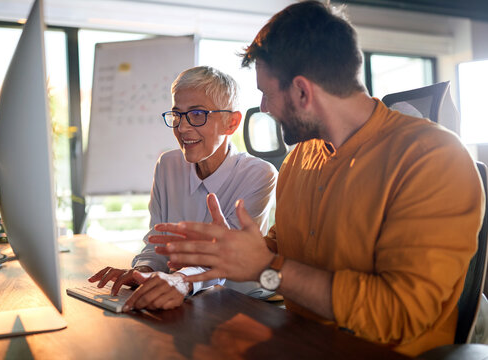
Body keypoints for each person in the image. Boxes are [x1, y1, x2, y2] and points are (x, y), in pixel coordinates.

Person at [148, 1, 484, 357]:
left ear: (302, 92)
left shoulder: (432, 157)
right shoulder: (298, 161)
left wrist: (264, 268)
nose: (263, 107)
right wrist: (235, 253)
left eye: (266, 92)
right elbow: (281, 251)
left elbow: (399, 314)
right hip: (298, 342)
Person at [88, 66, 278, 311]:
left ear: (231, 123)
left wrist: (181, 280)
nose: (182, 128)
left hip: (240, 305)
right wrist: (142, 272)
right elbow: (157, 244)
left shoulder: (258, 174)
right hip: (185, 301)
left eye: (197, 114)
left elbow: (227, 261)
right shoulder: (168, 165)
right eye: (177, 115)